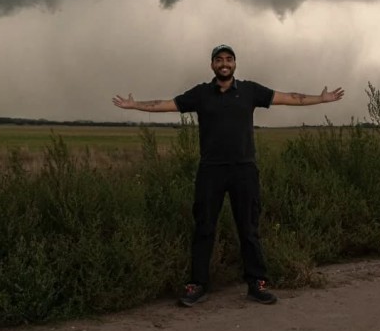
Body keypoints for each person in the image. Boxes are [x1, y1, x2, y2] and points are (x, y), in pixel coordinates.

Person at [112, 44, 344, 306]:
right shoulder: (201, 94)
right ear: (212, 65)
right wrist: (134, 106)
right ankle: (197, 285)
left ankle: (257, 283)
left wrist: (320, 99)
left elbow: (289, 97)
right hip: (211, 170)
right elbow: (166, 105)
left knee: (248, 229)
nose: (224, 63)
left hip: (244, 169)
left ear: (235, 64)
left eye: (229, 59)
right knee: (204, 228)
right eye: (219, 59)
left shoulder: (249, 91)